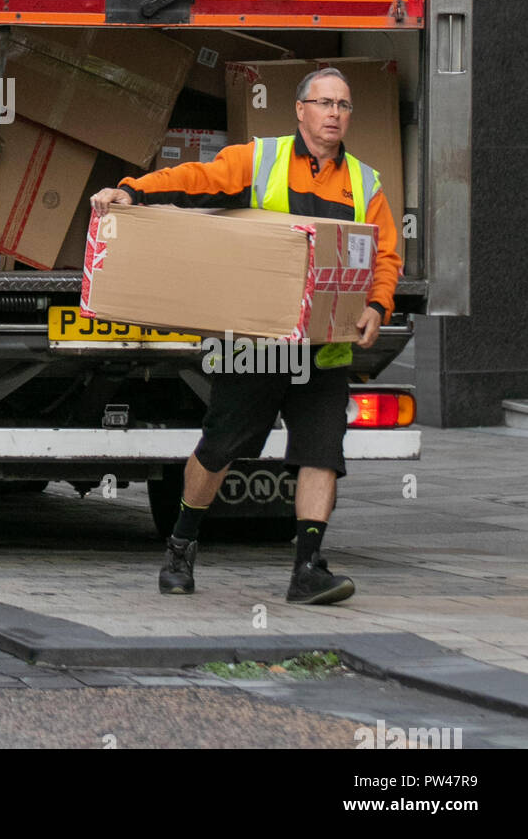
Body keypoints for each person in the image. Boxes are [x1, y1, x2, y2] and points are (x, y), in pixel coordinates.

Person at [90, 68, 401, 605]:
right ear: (299, 110)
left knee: (322, 453)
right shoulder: (260, 160)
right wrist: (131, 191)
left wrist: (377, 304)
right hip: (254, 344)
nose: (333, 114)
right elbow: (194, 179)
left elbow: (385, 255)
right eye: (323, 103)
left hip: (322, 348)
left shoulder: (365, 183)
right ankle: (181, 546)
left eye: (343, 105)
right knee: (221, 447)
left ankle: (308, 569)